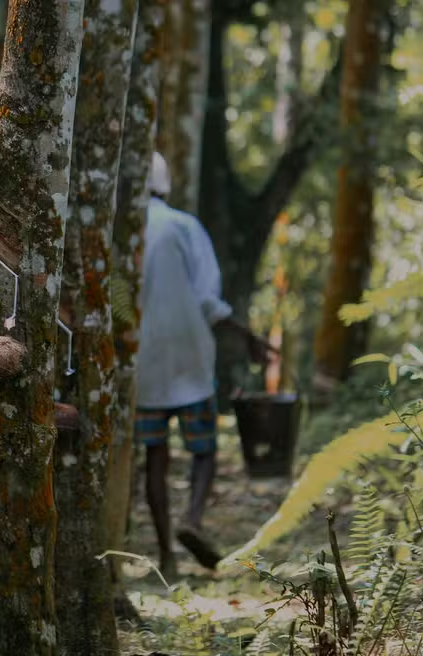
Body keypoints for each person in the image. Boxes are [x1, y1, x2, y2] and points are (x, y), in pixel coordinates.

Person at [134, 152, 272, 579]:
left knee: (155, 455)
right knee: (204, 450)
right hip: (191, 355)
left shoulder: (124, 232)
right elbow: (209, 302)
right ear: (165, 183)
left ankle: (165, 556)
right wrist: (248, 337)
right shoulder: (184, 226)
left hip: (142, 361)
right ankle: (191, 519)